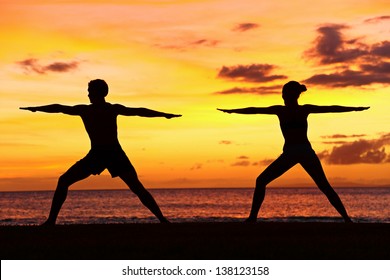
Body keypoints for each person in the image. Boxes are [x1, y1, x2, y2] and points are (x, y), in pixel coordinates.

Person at [20, 79, 181, 225]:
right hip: (98, 154)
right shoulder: (91, 110)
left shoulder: (103, 109)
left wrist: (163, 115)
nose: (88, 94)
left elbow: (139, 111)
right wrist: (37, 109)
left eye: (90, 91)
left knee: (137, 187)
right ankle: (51, 222)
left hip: (113, 154)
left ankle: (162, 220)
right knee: (64, 181)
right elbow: (59, 108)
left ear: (98, 93)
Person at [218, 81, 369, 223]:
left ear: (289, 95)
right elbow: (254, 110)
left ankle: (347, 219)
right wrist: (233, 111)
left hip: (300, 151)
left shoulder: (299, 109)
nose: (284, 96)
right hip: (295, 152)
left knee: (322, 186)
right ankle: (347, 220)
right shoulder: (284, 110)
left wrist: (354, 108)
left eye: (285, 93)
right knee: (321, 186)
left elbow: (331, 108)